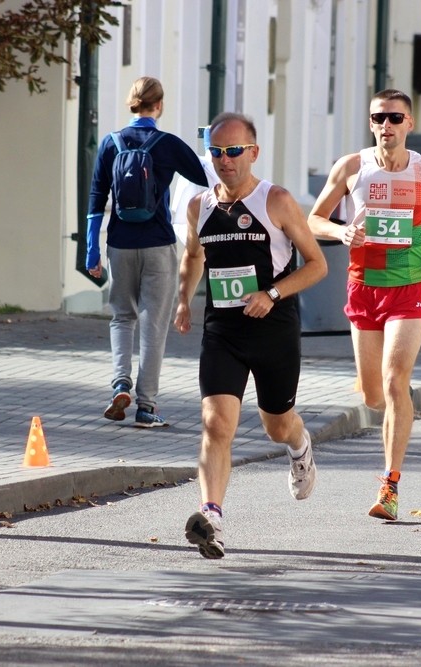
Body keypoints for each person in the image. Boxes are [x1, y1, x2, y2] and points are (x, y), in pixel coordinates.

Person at [308, 89, 421, 520]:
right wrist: (341, 233)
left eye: (395, 118)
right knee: (374, 395)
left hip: (412, 285)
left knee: (397, 380)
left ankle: (389, 485)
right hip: (364, 286)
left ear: (409, 124)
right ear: (371, 123)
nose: (387, 125)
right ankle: (391, 405)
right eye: (379, 117)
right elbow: (313, 219)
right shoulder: (352, 167)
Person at [175, 112, 327, 559]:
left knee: (276, 425)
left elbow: (317, 264)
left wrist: (273, 293)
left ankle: (300, 447)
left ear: (253, 153)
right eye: (217, 152)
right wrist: (185, 299)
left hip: (274, 326)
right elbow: (192, 256)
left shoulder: (275, 200)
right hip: (222, 328)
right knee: (216, 423)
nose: (225, 161)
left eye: (234, 151)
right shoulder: (198, 206)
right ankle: (212, 517)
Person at [87, 76, 209, 427]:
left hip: (119, 245)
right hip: (157, 243)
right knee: (153, 324)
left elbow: (97, 198)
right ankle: (147, 407)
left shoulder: (110, 143)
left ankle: (120, 383)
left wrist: (91, 251)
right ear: (160, 105)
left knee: (121, 316)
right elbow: (205, 177)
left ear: (131, 104)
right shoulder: (167, 144)